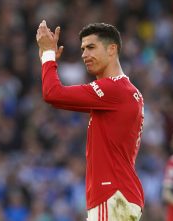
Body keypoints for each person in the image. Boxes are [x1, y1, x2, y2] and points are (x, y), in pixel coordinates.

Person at [36, 20, 144, 221]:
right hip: (121, 194)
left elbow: (53, 93)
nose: (84, 54)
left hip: (111, 193)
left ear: (112, 49)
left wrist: (48, 55)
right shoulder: (129, 91)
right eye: (83, 49)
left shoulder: (114, 90)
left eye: (91, 47)